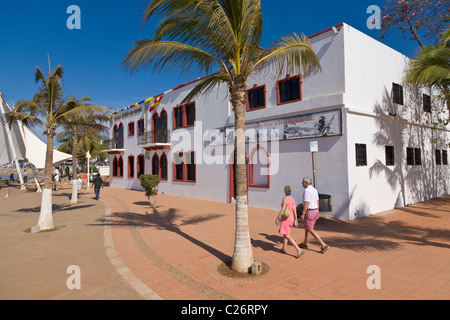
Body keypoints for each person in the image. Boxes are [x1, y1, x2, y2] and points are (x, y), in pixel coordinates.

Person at [299, 177, 330, 254]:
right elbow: (317, 201)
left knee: (310, 229)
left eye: (303, 182)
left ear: (306, 183)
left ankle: (323, 245)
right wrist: (318, 211)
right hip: (315, 210)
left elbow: (307, 203)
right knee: (307, 227)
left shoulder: (307, 191)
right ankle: (305, 243)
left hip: (310, 211)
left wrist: (303, 213)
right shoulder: (314, 190)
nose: (302, 183)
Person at [275, 186, 304, 259]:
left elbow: (283, 209)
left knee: (287, 235)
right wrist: (296, 220)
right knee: (286, 234)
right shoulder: (292, 199)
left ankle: (298, 249)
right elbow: (294, 210)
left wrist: (277, 217)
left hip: (286, 218)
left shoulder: (285, 199)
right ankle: (283, 248)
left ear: (285, 191)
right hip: (291, 218)